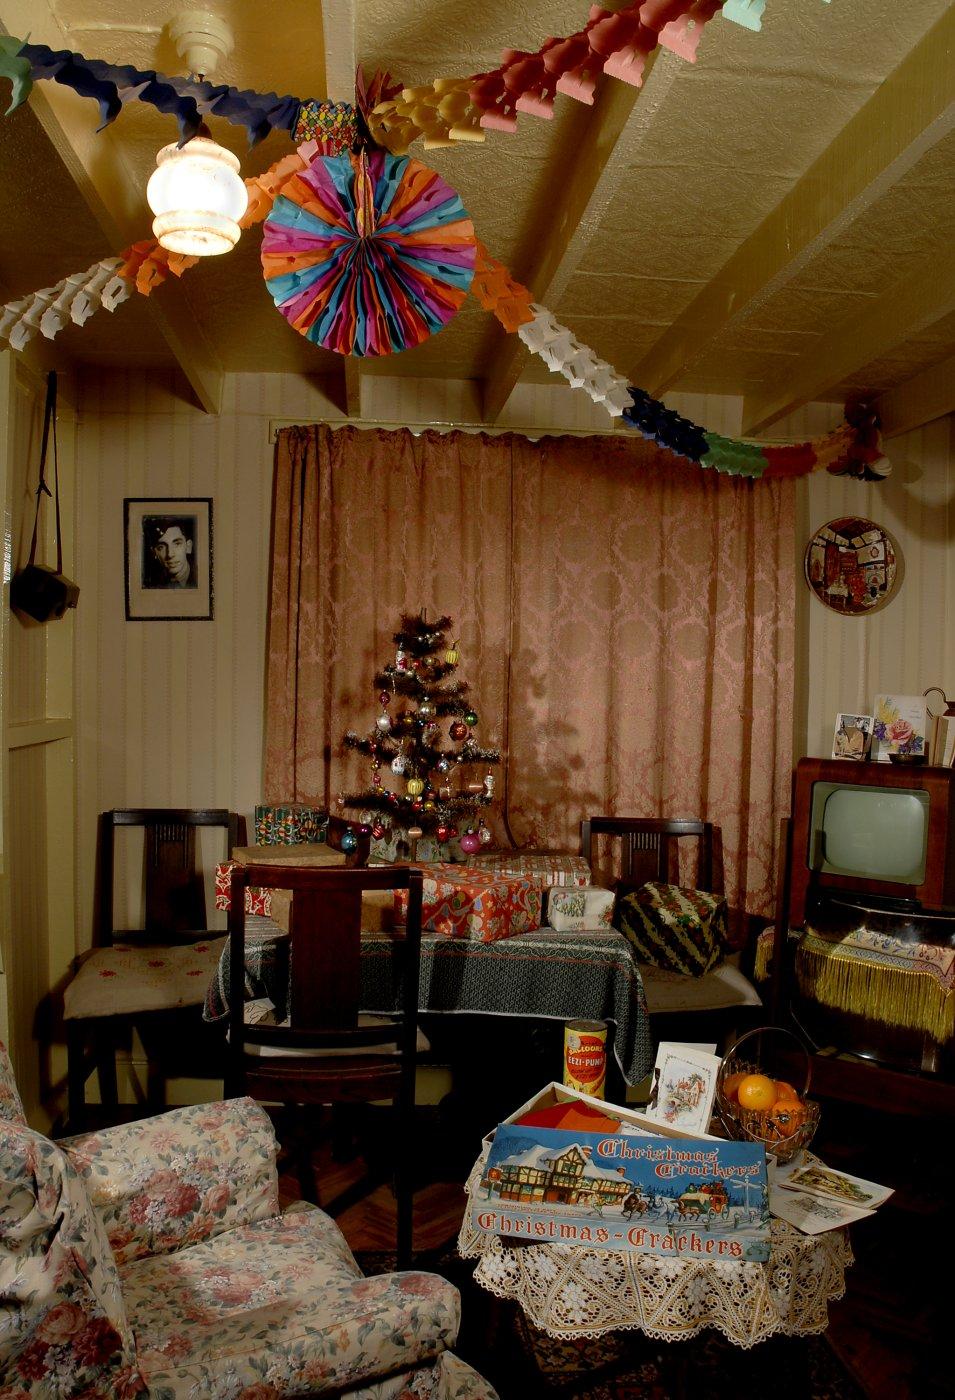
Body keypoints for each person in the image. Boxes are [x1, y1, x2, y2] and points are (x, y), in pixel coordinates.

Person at [143, 515, 197, 589]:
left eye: (177, 544)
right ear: (154, 553)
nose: (170, 554)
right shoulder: (149, 585)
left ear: (188, 547)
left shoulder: (205, 579)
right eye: (161, 547)